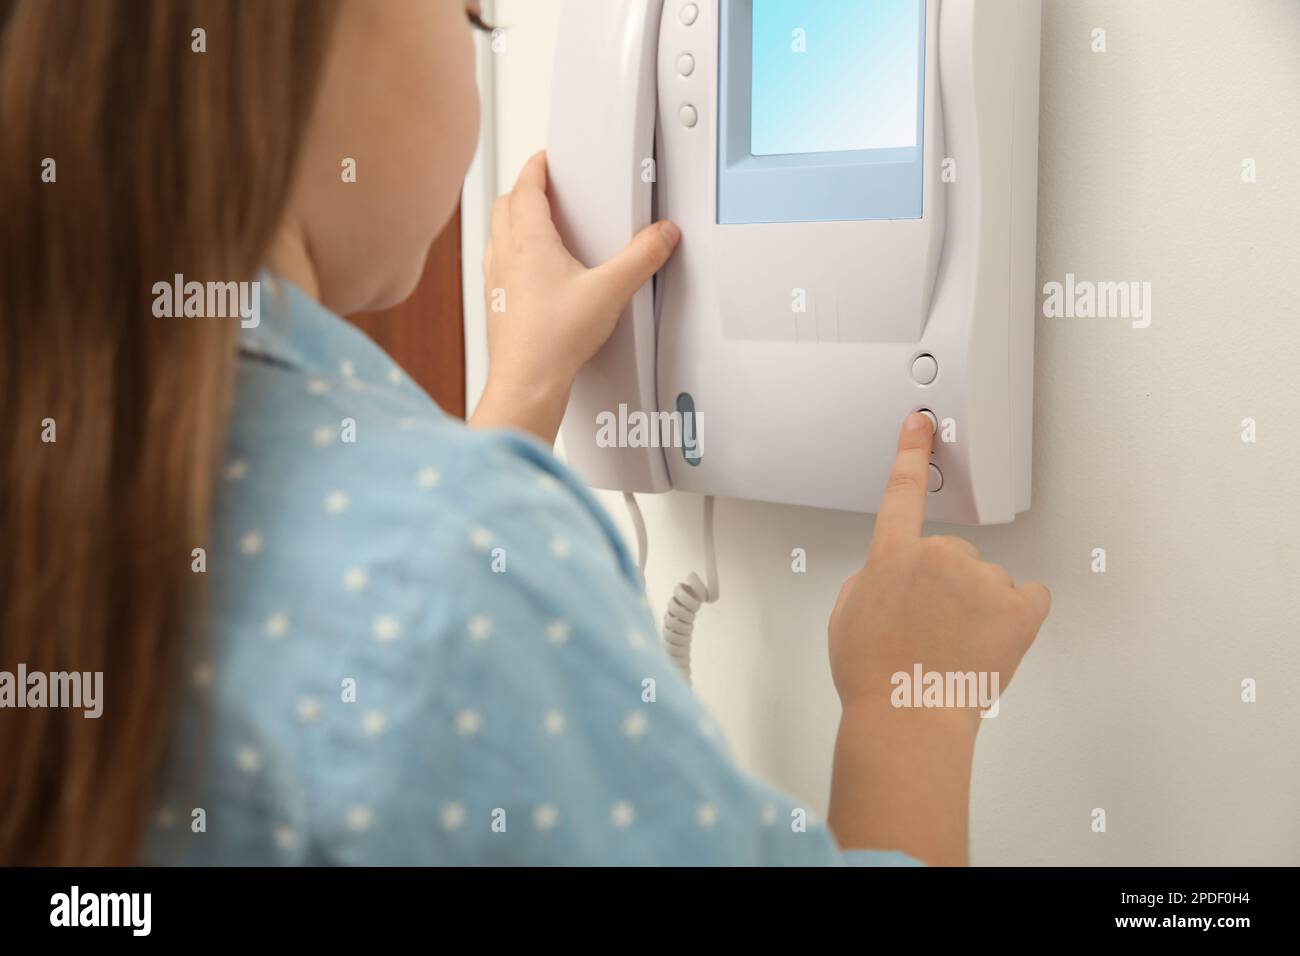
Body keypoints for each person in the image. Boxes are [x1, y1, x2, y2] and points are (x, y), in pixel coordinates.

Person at [0, 0, 1050, 866]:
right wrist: (906, 705)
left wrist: (524, 392)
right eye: (474, 20)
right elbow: (424, 611)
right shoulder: (454, 564)